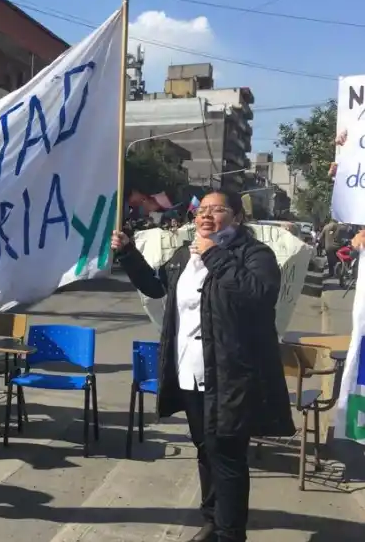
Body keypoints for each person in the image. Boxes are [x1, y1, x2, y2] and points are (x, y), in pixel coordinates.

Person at [112, 190, 294, 542]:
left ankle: (230, 534)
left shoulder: (254, 254)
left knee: (227, 456)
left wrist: (215, 256)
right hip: (190, 371)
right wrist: (129, 254)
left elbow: (258, 295)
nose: (207, 215)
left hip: (230, 373)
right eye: (203, 210)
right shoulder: (185, 254)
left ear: (237, 217)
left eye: (219, 209)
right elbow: (154, 287)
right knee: (206, 450)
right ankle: (212, 520)